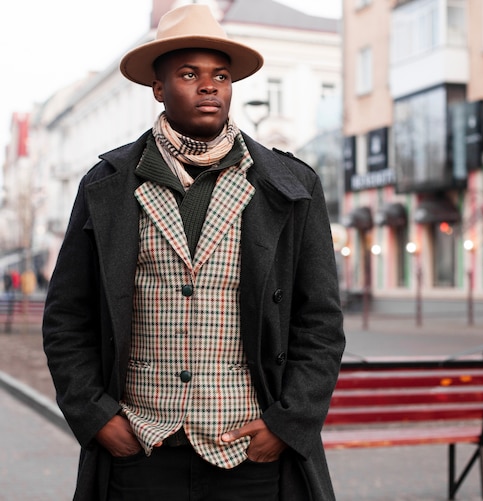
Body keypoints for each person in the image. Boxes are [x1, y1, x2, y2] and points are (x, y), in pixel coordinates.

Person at [42, 4, 345, 501]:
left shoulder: (291, 185)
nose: (209, 86)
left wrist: (287, 423)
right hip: (139, 453)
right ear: (158, 88)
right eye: (189, 74)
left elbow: (320, 321)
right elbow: (67, 316)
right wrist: (95, 415)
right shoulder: (108, 185)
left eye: (220, 76)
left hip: (249, 453)